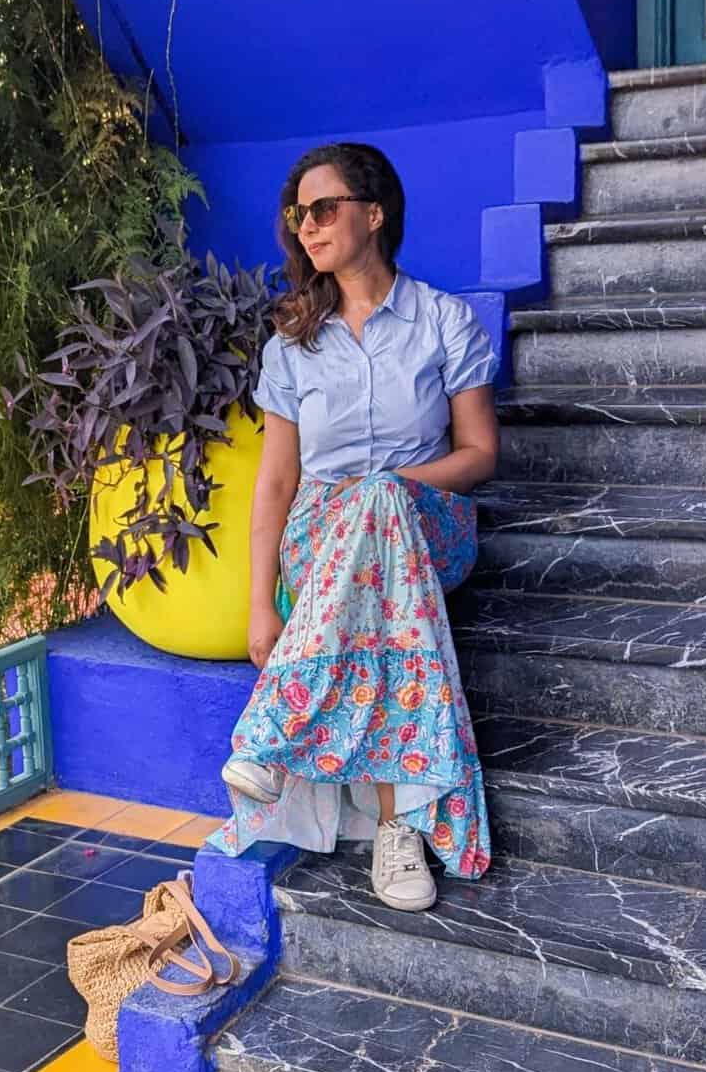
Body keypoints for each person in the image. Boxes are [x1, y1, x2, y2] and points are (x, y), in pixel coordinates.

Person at [211, 142, 500, 912]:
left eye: (324, 208)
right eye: (297, 215)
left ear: (374, 214)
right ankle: (398, 829)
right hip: (322, 542)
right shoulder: (293, 345)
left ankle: (273, 732)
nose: (307, 226)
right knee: (374, 580)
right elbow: (277, 481)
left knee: (379, 506)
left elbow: (478, 454)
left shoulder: (443, 321)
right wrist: (260, 603)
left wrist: (391, 487)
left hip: (427, 522)